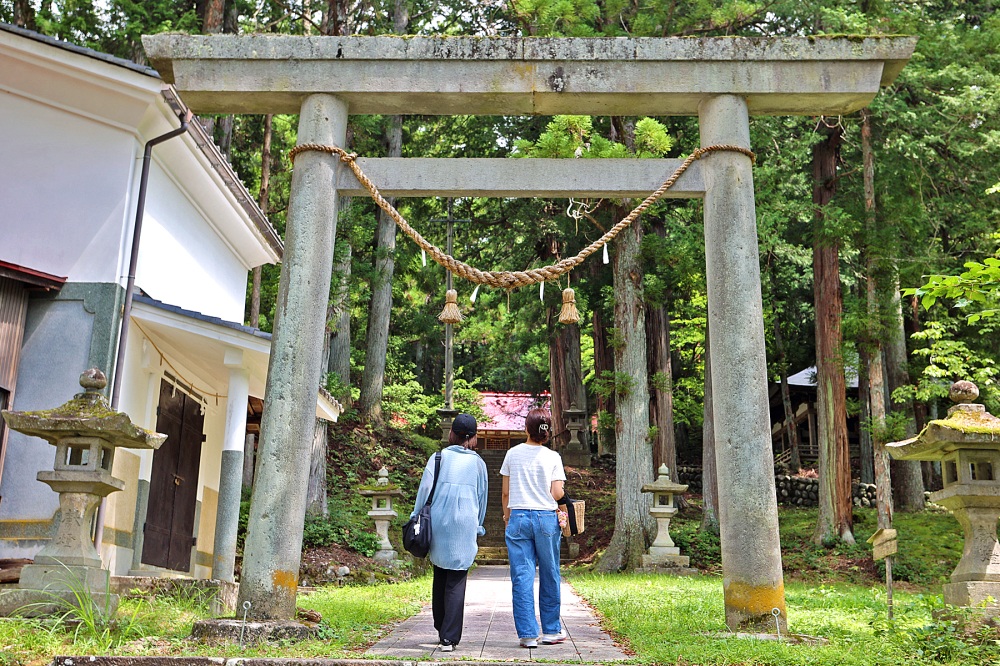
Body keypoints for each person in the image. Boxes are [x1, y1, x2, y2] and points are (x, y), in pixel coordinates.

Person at [409, 413, 488, 652]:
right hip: (464, 525)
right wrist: (478, 525)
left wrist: (416, 517)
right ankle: (449, 637)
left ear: (452, 433)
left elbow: (424, 491)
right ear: (473, 437)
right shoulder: (478, 464)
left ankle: (440, 625)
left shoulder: (438, 458)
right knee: (456, 579)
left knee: (440, 574)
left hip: (439, 523)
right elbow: (482, 498)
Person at [500, 408, 567, 648]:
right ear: (547, 431)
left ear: (526, 428)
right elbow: (556, 493)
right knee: (550, 573)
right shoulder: (553, 457)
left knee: (522, 576)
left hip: (518, 516)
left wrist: (507, 517)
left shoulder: (512, 454)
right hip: (546, 518)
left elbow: (505, 493)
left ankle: (528, 634)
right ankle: (551, 630)